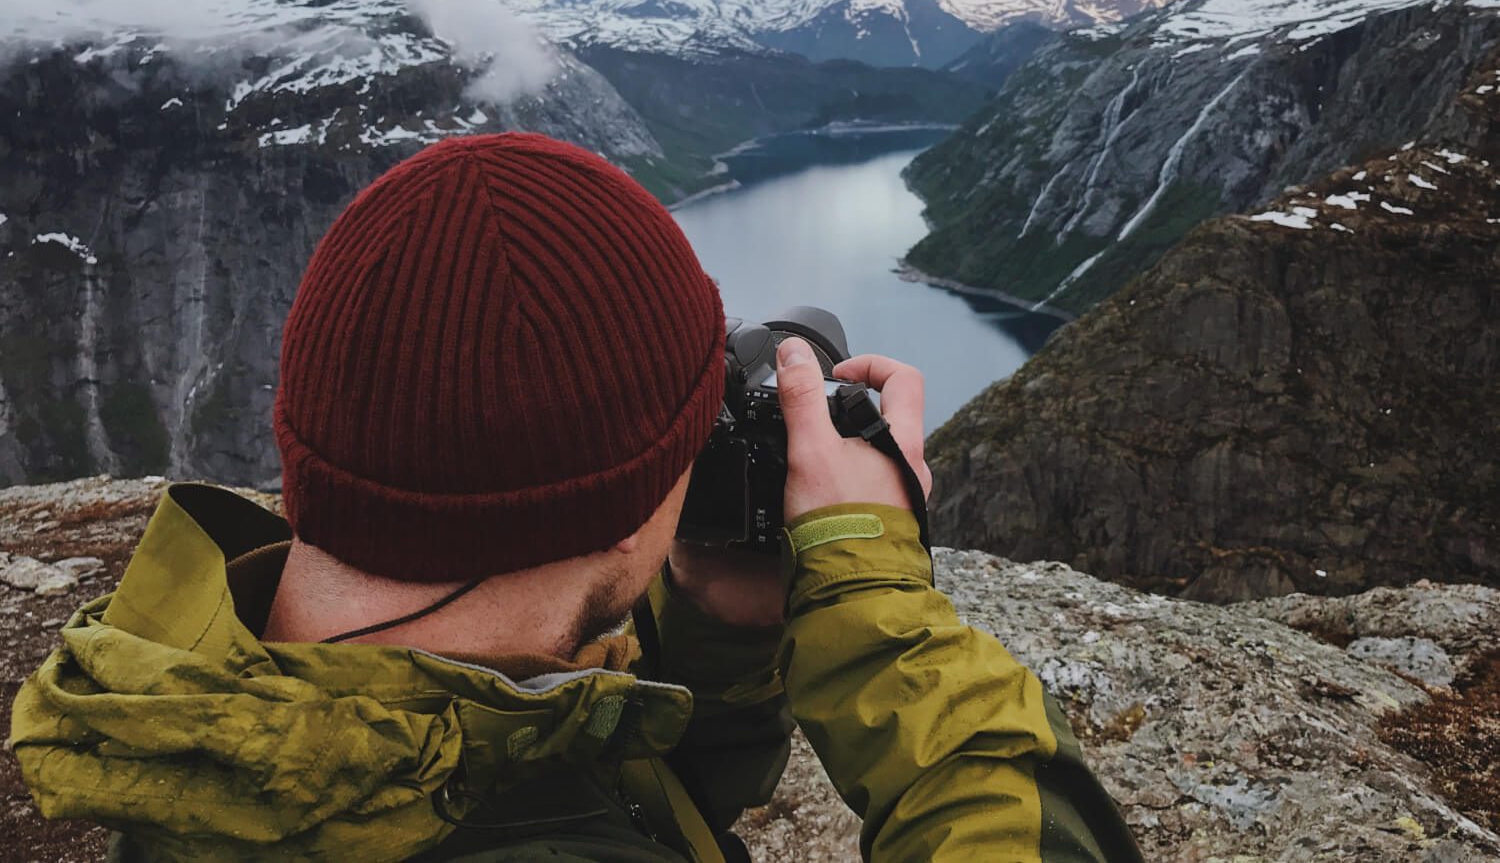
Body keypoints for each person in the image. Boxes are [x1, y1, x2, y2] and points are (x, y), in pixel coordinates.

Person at [11, 132, 1141, 861]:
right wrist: (875, 608)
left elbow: (575, 791)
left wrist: (715, 634)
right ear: (628, 497)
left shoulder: (207, 707)